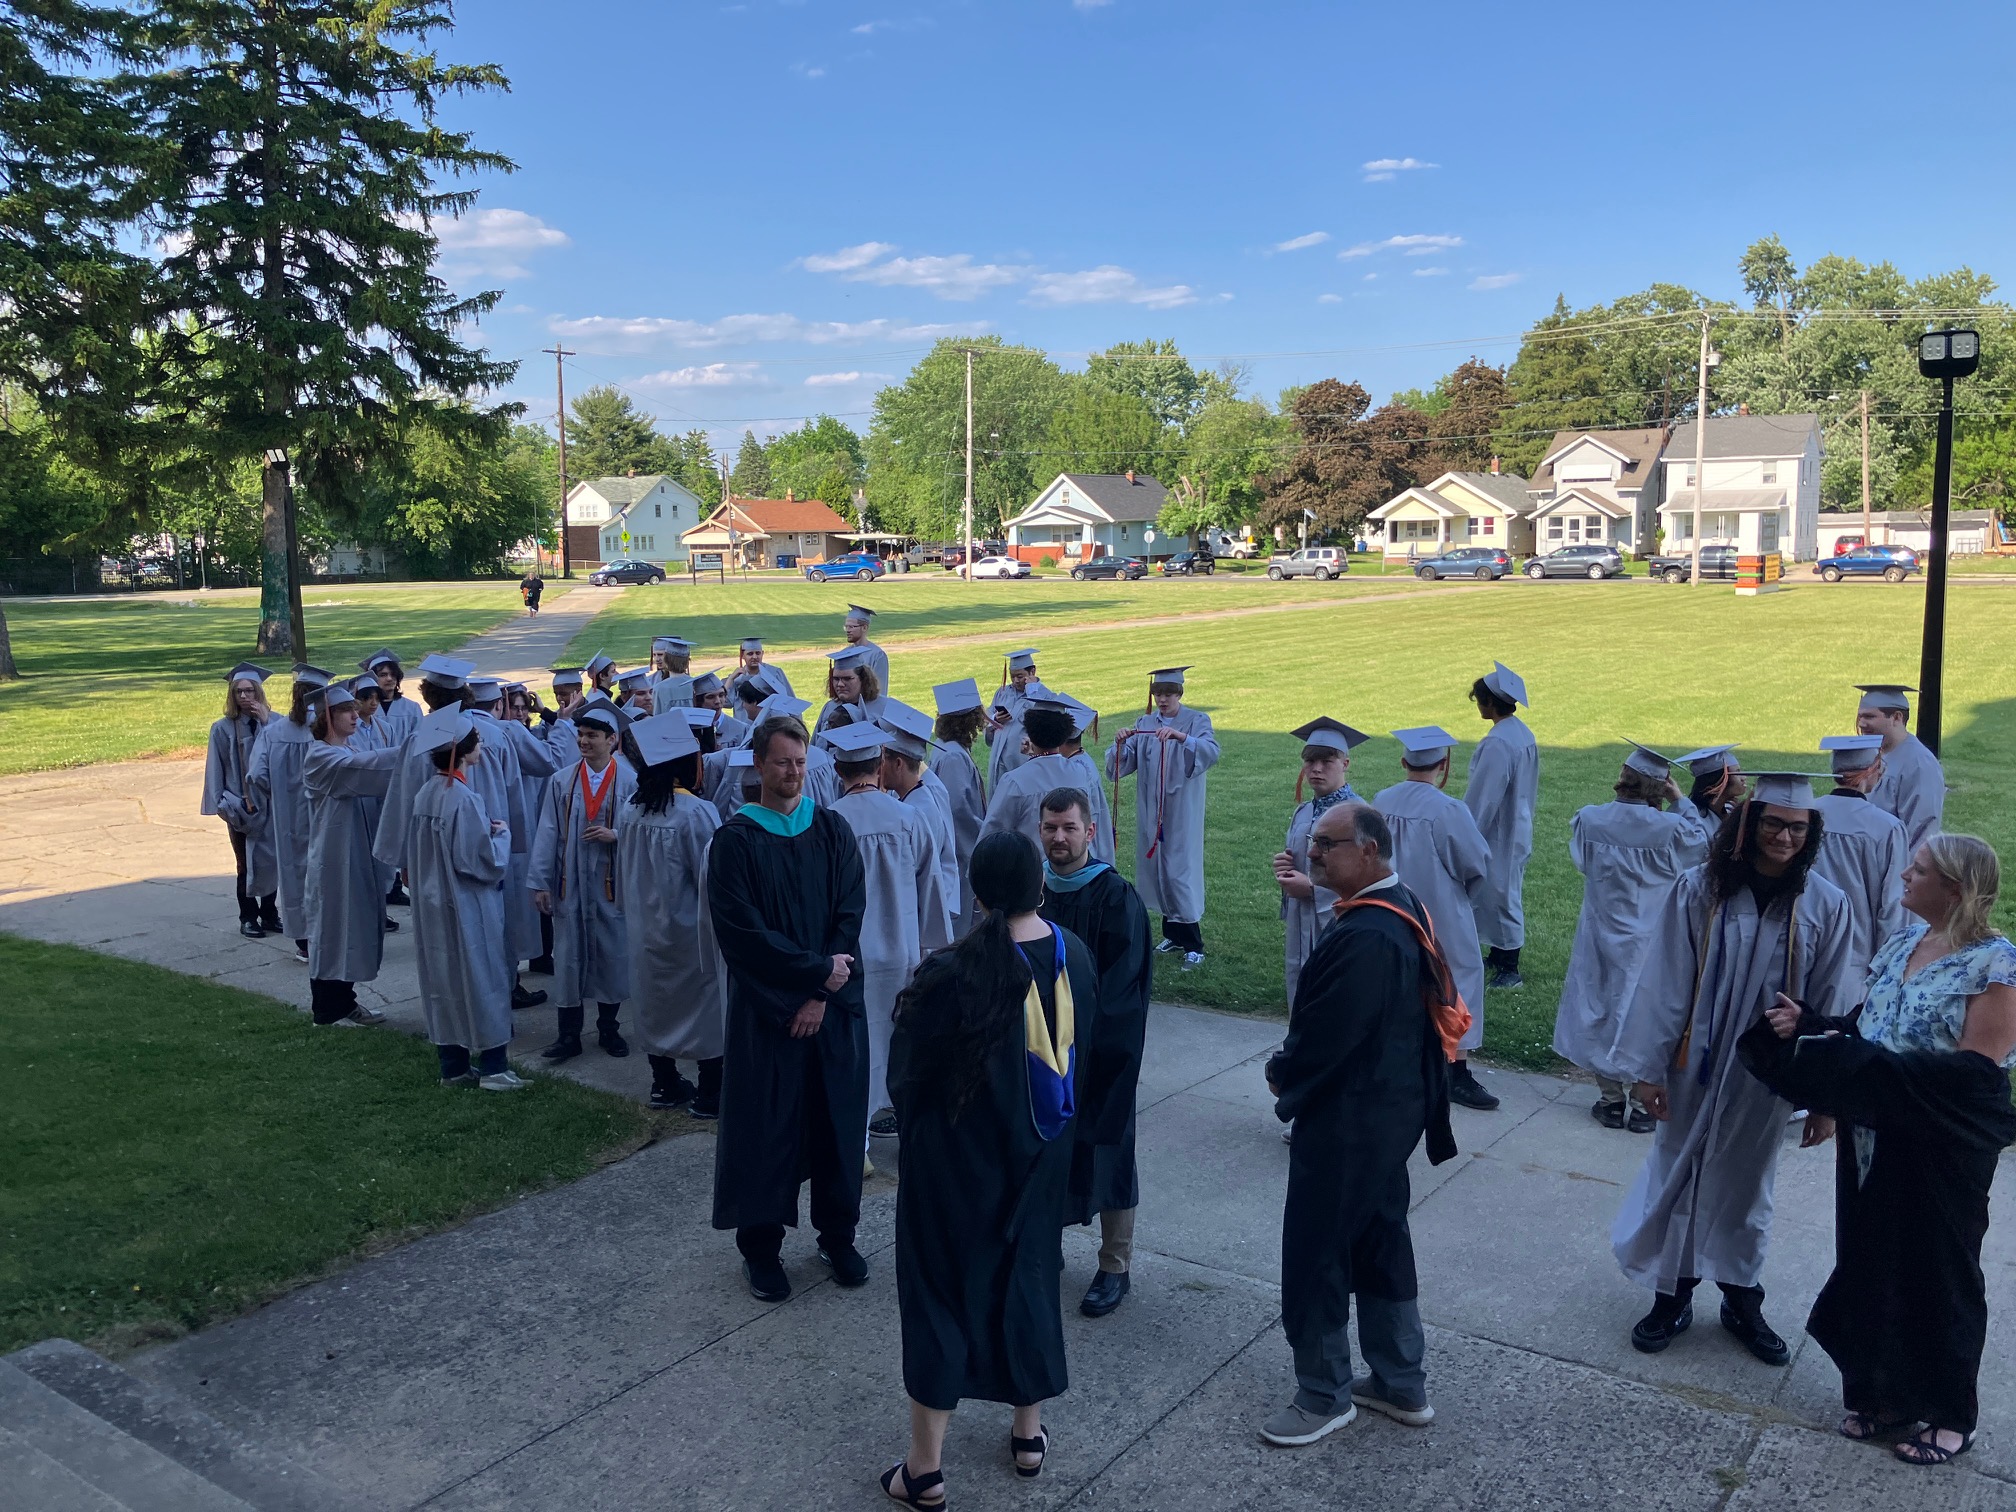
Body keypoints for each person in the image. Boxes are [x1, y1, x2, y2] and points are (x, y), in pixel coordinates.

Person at [1740, 833, 2016, 1468]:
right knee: (1872, 1263)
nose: (1904, 876)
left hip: (1941, 1147)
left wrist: (1868, 1065)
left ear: (1955, 887)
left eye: (1918, 871)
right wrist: (1813, 1025)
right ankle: (1886, 1396)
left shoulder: (1995, 966)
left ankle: (1950, 1414)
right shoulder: (1902, 944)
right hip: (1872, 1138)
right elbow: (1870, 1026)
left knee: (1940, 1273)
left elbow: (1977, 1071)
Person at [1604, 774, 1856, 1365]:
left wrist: (1825, 1098)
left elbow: (1832, 1003)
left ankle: (1742, 1297)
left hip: (1768, 1076)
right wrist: (1647, 1069)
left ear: (1811, 831)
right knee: (1679, 1169)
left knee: (1748, 1183)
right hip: (1694, 1063)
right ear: (1748, 825)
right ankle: (1675, 1292)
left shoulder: (1825, 903)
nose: (1785, 837)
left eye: (1797, 827)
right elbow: (1664, 981)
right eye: (1773, 823)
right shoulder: (1700, 890)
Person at [881, 830, 1098, 1505]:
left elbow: (907, 1080)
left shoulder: (952, 972)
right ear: (1040, 884)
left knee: (941, 1296)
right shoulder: (1076, 960)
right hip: (1041, 1162)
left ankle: (925, 1468)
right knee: (1028, 1283)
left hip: (956, 1172)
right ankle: (1027, 1435)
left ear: (976, 893)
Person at [1260, 801, 1462, 1448]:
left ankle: (1323, 1394)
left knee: (1318, 1254)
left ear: (1369, 851)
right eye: (1314, 841)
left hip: (1350, 1122)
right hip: (1389, 1114)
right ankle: (1402, 1381)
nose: (1313, 852)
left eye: (1328, 843)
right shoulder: (1399, 908)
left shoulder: (1369, 937)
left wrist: (1283, 1074)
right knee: (1379, 1241)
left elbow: (1326, 1039)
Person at [707, 713, 869, 1304]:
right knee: (766, 1131)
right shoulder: (735, 841)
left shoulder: (831, 830)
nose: (793, 773)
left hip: (831, 1010)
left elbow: (850, 916)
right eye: (782, 762)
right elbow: (743, 936)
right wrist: (806, 985)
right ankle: (762, 1251)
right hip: (767, 1016)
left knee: (838, 1126)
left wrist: (823, 992)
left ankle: (839, 1236)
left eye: (801, 763)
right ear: (758, 765)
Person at [1553, 743, 1713, 1131]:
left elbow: (1582, 863)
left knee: (1599, 1005)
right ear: (1659, 787)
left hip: (1600, 929)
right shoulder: (1671, 828)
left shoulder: (1590, 819)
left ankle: (1609, 1099)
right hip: (1650, 935)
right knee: (1643, 1014)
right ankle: (1644, 1107)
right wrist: (1680, 800)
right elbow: (1702, 848)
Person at [1038, 787, 1153, 1319]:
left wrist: (1084, 1045)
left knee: (1109, 1150)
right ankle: (1045, 1249)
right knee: (1046, 1151)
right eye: (1049, 828)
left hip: (1101, 1054)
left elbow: (1123, 990)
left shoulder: (1115, 897)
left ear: (1090, 831)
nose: (1059, 838)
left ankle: (1114, 1266)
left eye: (1068, 828)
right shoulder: (1034, 890)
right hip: (1042, 1053)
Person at [825, 721, 951, 1143]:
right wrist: (934, 946)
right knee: (897, 1041)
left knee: (855, 1047)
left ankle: (854, 1140)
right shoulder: (908, 817)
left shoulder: (827, 823)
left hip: (848, 957)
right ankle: (900, 1119)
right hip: (899, 949)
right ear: (880, 763)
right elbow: (929, 888)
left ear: (838, 769)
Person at [1373, 727, 1496, 1110]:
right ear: (1444, 765)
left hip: (1391, 906)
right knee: (1457, 980)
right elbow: (1475, 864)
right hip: (1441, 911)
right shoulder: (1448, 810)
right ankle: (1454, 1070)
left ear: (1403, 762)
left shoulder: (1381, 799)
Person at [407, 707, 525, 1092]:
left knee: (443, 980)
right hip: (467, 905)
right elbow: (480, 862)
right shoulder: (463, 798)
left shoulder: (426, 793)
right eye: (476, 740)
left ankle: (453, 1067)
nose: (482, 745)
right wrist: (501, 834)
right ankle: (493, 1068)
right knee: (483, 977)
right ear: (463, 749)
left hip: (431, 902)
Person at [618, 712, 727, 1115]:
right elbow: (710, 876)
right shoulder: (695, 813)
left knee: (654, 1003)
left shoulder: (632, 808)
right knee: (704, 1007)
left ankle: (663, 1083)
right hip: (687, 928)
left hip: (644, 925)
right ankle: (710, 1091)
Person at [528, 696, 634, 1062]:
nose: (584, 741)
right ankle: (568, 1035)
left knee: (611, 955)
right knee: (569, 958)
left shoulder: (631, 781)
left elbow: (642, 830)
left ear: (612, 740)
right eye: (581, 735)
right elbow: (545, 832)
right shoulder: (562, 781)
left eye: (592, 735)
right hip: (569, 884)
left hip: (611, 884)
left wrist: (616, 834)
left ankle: (609, 1030)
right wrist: (540, 882)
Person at [302, 681, 405, 1027]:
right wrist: (412, 750)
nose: (355, 714)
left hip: (356, 854)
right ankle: (327, 1011)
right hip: (334, 857)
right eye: (346, 710)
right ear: (327, 718)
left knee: (352, 929)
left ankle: (346, 1002)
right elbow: (368, 769)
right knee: (333, 932)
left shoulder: (345, 751)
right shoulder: (320, 755)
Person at [1104, 667, 1221, 967]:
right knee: (1157, 869)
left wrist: (1182, 737)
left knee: (1179, 871)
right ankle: (1172, 933)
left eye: (1168, 694)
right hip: (1150, 807)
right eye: (1158, 694)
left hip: (1181, 809)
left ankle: (1194, 943)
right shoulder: (1145, 722)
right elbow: (1123, 762)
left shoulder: (1196, 720)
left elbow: (1210, 751)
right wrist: (1119, 743)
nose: (1163, 700)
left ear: (1179, 694)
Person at [1272, 717, 1367, 1006]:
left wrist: (1314, 890)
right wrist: (1286, 869)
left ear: (1345, 764)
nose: (1316, 769)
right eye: (1310, 761)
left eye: (1326, 761)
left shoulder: (1358, 814)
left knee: (1332, 991)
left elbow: (1368, 876)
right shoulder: (1303, 812)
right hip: (1301, 918)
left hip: (1338, 920)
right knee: (1299, 982)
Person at [1811, 734, 1909, 987]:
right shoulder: (1887, 828)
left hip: (1806, 940)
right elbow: (1892, 904)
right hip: (1856, 958)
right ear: (1873, 769)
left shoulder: (1807, 815)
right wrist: (1886, 964)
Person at [1464, 662, 1538, 991]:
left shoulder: (1498, 742)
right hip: (1517, 820)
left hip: (1499, 829)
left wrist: (1468, 832)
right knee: (1498, 892)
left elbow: (1485, 797)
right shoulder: (1520, 732)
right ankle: (1497, 954)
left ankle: (1511, 968)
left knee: (1503, 894)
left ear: (1490, 703)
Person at [248, 663, 329, 963]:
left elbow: (257, 774)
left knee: (294, 875)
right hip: (324, 814)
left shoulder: (274, 732)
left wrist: (278, 793)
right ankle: (328, 936)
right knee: (326, 872)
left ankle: (303, 941)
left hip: (288, 817)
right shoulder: (325, 733)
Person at [202, 662, 282, 938]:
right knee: (244, 863)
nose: (245, 697)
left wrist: (265, 722)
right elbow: (215, 768)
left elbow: (282, 759)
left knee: (272, 860)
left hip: (271, 803)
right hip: (239, 805)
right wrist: (220, 805)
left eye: (250, 691)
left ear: (259, 693)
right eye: (239, 692)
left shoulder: (277, 723)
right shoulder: (222, 728)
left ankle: (270, 913)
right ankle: (248, 916)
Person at [874, 702, 960, 941]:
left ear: (899, 764)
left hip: (921, 924)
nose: (879, 769)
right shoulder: (907, 797)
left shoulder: (921, 808)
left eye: (883, 761)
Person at [1855, 683, 1944, 852]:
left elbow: (1921, 833)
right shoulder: (1871, 754)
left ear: (1897, 717)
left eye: (1869, 717)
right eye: (1860, 717)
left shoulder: (1919, 764)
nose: (1861, 724)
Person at [931, 679, 989, 938]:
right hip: (961, 853)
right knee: (964, 924)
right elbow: (958, 810)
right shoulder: (953, 757)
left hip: (958, 850)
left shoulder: (947, 749)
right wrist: (987, 834)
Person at [985, 648, 1040, 790]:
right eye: (1012, 676)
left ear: (1032, 672)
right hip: (999, 756)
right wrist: (995, 719)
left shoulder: (1042, 695)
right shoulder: (1003, 692)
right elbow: (987, 719)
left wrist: (1033, 690)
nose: (1016, 681)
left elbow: (1041, 721)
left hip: (1023, 758)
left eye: (1020, 676)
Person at [814, 645, 885, 737]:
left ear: (863, 679)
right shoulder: (829, 707)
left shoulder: (883, 708)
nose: (840, 684)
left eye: (847, 679)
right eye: (836, 679)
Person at [361, 648, 422, 748]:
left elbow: (419, 740)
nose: (389, 679)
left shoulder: (412, 708)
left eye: (393, 674)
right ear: (372, 678)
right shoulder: (364, 709)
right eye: (383, 675)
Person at [1678, 744, 1747, 823]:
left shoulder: (1731, 810)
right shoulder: (1695, 819)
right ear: (1720, 779)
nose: (1744, 777)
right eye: (1737, 772)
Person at [727, 635, 793, 702]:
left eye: (758, 653)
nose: (755, 657)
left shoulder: (774, 673)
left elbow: (789, 699)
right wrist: (730, 679)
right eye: (750, 654)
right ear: (743, 656)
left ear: (762, 653)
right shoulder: (737, 677)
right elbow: (726, 702)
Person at [843, 603, 889, 693]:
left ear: (864, 628)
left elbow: (880, 691)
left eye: (851, 627)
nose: (848, 630)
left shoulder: (877, 655)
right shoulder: (844, 653)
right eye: (846, 627)